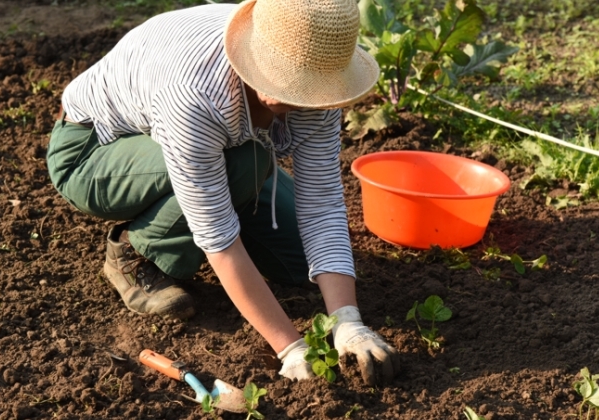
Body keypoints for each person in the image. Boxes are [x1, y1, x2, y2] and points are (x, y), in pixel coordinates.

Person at [46, 0, 400, 386]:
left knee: (300, 262)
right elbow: (218, 238)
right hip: (91, 152)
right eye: (286, 81)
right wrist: (291, 348)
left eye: (305, 88)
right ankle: (134, 250)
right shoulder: (193, 94)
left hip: (225, 150)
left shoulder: (321, 78)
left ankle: (230, 191)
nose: (293, 96)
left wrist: (348, 322)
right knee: (242, 166)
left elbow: (322, 202)